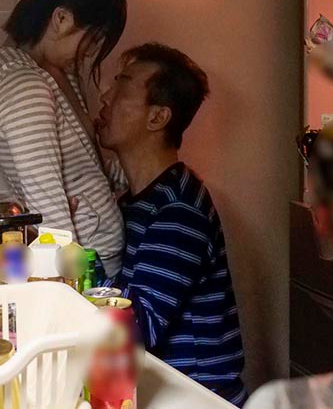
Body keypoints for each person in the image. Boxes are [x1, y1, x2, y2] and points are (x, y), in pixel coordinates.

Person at [97, 43, 246, 406]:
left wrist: (78, 258)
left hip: (198, 400)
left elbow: (137, 329)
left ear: (158, 118)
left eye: (122, 85)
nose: (105, 96)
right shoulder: (136, 201)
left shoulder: (179, 211)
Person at [0, 0, 128, 276]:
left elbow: (87, 164)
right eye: (94, 38)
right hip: (86, 268)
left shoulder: (55, 71)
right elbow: (51, 213)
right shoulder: (22, 87)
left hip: (98, 258)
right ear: (61, 18)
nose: (91, 52)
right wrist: (72, 284)